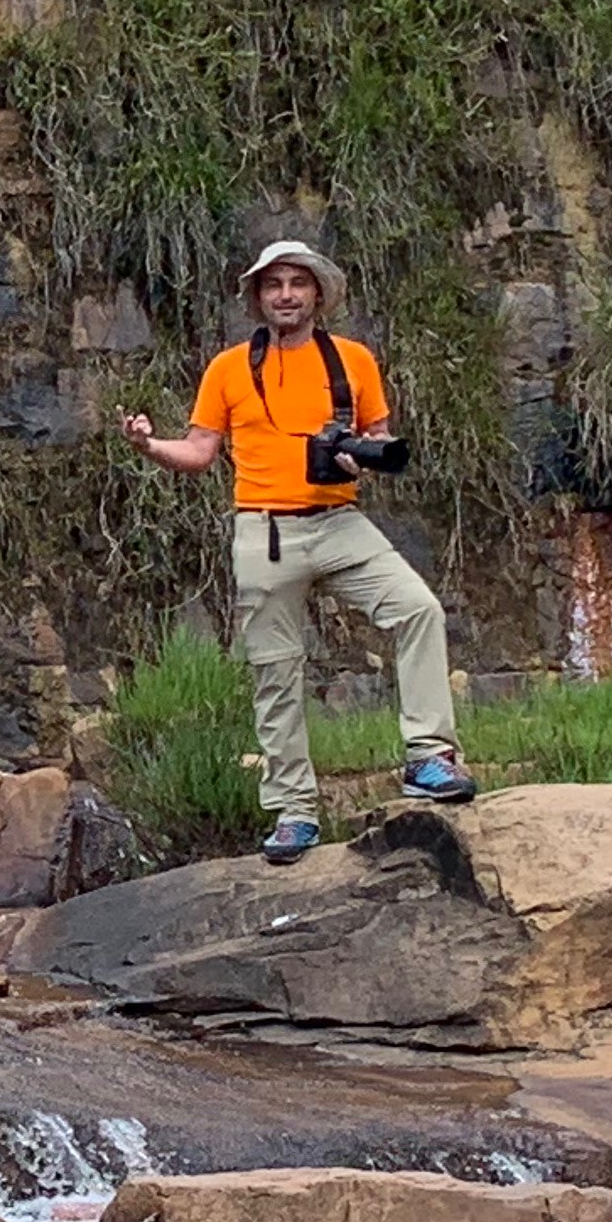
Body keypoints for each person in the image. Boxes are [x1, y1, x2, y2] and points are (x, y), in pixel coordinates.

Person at [120, 238, 477, 863]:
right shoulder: (228, 368)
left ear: (317, 294)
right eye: (274, 284)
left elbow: (379, 437)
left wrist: (358, 452)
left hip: (339, 519)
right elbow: (201, 453)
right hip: (265, 530)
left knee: (418, 608)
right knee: (276, 670)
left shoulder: (353, 360)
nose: (286, 294)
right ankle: (294, 810)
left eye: (297, 283)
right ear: (258, 297)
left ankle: (428, 756)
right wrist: (150, 446)